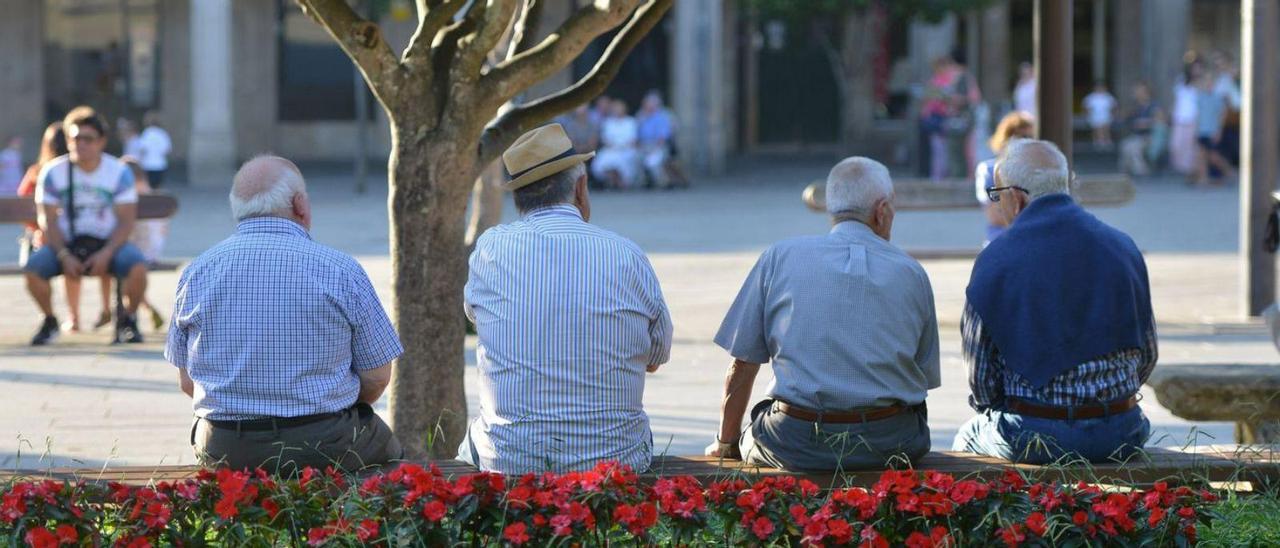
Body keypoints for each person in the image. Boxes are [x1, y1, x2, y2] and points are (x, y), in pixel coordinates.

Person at [167, 155, 403, 472]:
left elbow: (187, 381)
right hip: (323, 441)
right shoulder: (340, 269)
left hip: (223, 445)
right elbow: (377, 376)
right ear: (300, 205)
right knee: (390, 453)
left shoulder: (196, 272)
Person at [461, 123, 672, 474]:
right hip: (616, 461)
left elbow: (478, 319)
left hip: (510, 461)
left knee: (474, 440)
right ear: (580, 188)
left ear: (518, 198)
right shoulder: (626, 254)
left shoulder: (490, 250)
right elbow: (655, 356)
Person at [706, 157, 941, 471]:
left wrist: (726, 441)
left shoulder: (779, 257)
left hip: (794, 441)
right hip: (890, 444)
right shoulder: (911, 272)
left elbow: (743, 364)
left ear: (832, 208)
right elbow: (924, 376)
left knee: (759, 423)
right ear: (881, 210)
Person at [953, 139, 1156, 464]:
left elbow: (981, 382)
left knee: (967, 437)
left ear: (1016, 198)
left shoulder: (996, 260)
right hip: (1121, 430)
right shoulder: (1123, 248)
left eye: (998, 195)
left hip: (1033, 434)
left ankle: (1011, 517)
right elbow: (1147, 355)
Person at [24, 106, 149, 346]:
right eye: (74, 138)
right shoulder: (54, 172)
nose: (80, 144)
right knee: (33, 270)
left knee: (137, 267)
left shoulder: (118, 172)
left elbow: (126, 220)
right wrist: (62, 254)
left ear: (101, 141)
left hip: (108, 242)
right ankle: (50, 320)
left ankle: (128, 318)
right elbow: (48, 220)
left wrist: (107, 252)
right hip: (67, 243)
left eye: (87, 139)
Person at [975, 112, 1035, 245]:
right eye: (1021, 136)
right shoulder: (990, 169)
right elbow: (995, 216)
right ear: (1005, 138)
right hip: (1002, 241)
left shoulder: (1039, 170)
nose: (1027, 142)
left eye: (1032, 137)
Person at [636, 91, 687, 189]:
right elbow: (637, 134)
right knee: (636, 157)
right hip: (644, 145)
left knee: (654, 160)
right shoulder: (641, 116)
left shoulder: (663, 116)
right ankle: (644, 181)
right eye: (646, 104)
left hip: (659, 145)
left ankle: (663, 182)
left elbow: (663, 136)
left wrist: (654, 147)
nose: (647, 106)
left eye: (650, 104)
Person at [1192, 70, 1233, 186]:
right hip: (1202, 130)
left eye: (1209, 81)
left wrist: (1219, 131)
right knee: (1201, 156)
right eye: (1205, 81)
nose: (1207, 83)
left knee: (1214, 156)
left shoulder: (1217, 98)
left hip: (1212, 131)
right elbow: (1198, 115)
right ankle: (1203, 178)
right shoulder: (1200, 97)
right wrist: (1196, 130)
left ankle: (1229, 172)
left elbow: (1222, 115)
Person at [591, 100, 642, 189]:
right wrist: (613, 146)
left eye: (619, 108)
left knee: (626, 158)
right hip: (611, 149)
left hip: (627, 148)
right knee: (602, 160)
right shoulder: (608, 122)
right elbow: (605, 139)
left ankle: (623, 182)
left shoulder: (631, 121)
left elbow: (634, 139)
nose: (617, 110)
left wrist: (623, 146)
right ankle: (613, 180)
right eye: (615, 109)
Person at [1118, 83, 1164, 176]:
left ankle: (1142, 171)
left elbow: (1161, 120)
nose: (1135, 93)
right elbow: (1123, 118)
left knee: (1133, 147)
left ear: (1146, 92)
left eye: (1138, 91)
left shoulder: (1154, 105)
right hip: (1137, 136)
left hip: (1150, 137)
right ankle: (1125, 172)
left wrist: (1146, 123)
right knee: (1125, 145)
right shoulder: (1136, 106)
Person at [1169, 63, 1200, 175]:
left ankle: (1191, 172)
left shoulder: (1200, 84)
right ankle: (1181, 169)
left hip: (1192, 119)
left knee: (1190, 147)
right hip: (1179, 118)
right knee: (1176, 145)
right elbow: (1177, 100)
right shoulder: (1181, 81)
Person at [137, 111, 172, 188]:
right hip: (160, 165)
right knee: (157, 188)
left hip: (148, 165)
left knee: (148, 188)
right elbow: (167, 150)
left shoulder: (146, 133)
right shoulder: (163, 133)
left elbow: (142, 149)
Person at [1083, 82, 1116, 150]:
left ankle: (1106, 141)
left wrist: (1113, 115)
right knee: (1097, 124)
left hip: (1106, 117)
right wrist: (1088, 115)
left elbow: (1113, 107)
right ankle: (1098, 141)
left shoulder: (1108, 97)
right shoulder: (1091, 97)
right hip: (1094, 117)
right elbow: (1087, 108)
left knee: (1104, 124)